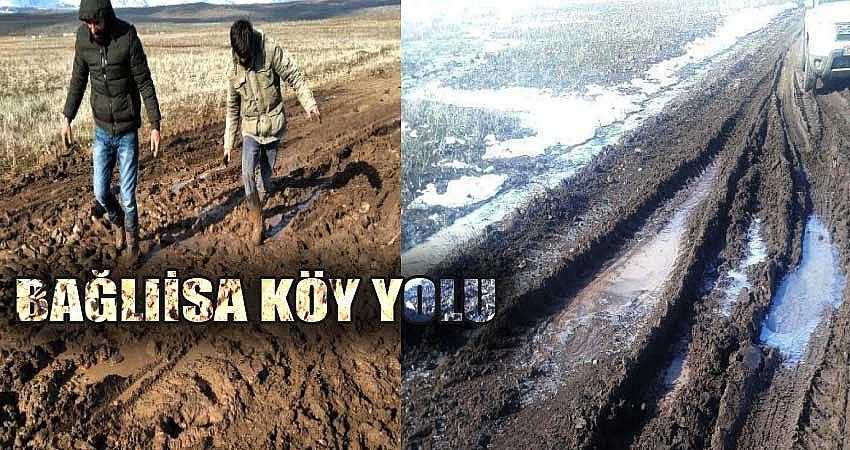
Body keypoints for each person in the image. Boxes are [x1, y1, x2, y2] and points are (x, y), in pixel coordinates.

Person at [61, 0, 162, 262]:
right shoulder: (83, 39)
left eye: (96, 22)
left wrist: (155, 124)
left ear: (107, 17)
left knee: (128, 197)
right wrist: (67, 116)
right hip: (102, 130)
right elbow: (78, 79)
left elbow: (144, 81)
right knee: (100, 192)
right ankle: (117, 221)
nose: (92, 28)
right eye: (88, 23)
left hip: (127, 130)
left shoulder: (127, 36)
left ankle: (133, 247)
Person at [224, 19, 320, 246]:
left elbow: (294, 76)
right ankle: (258, 220)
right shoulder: (233, 69)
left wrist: (309, 104)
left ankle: (262, 193)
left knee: (265, 179)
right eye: (240, 57)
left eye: (247, 56)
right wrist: (228, 144)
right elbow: (232, 108)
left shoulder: (270, 49)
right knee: (247, 173)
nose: (244, 61)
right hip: (250, 128)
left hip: (273, 126)